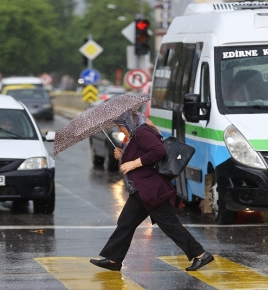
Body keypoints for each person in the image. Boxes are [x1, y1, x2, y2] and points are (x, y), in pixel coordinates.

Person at [90, 110, 213, 272]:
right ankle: (114, 259)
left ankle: (200, 254)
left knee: (169, 224)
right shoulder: (135, 135)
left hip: (152, 189)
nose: (119, 130)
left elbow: (158, 151)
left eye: (120, 126)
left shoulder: (143, 132)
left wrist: (133, 163)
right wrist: (121, 155)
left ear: (128, 121)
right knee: (126, 223)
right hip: (141, 191)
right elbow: (141, 155)